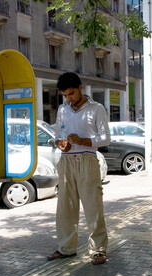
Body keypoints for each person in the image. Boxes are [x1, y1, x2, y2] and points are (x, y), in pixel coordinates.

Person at [47, 72, 111, 265]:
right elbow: (58, 135)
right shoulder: (62, 110)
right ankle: (66, 248)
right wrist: (59, 143)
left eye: (72, 93)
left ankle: (98, 250)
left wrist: (84, 141)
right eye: (65, 95)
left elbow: (106, 138)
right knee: (65, 207)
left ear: (81, 88)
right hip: (66, 161)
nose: (69, 98)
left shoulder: (96, 109)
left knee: (93, 207)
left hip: (88, 160)